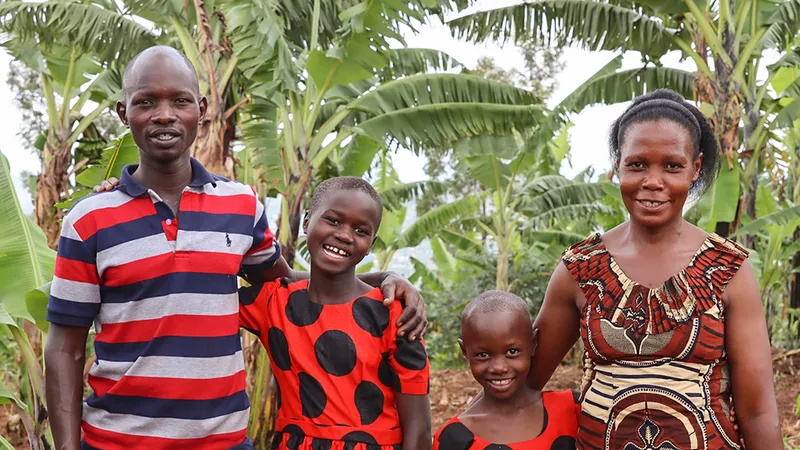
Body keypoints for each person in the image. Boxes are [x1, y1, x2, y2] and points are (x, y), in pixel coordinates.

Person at [44, 46, 427, 450]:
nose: (164, 114)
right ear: (123, 113)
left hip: (223, 442)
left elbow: (290, 286)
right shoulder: (89, 220)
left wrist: (383, 278)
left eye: (180, 100)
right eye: (145, 102)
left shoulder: (241, 206)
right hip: (115, 441)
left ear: (202, 108)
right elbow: (64, 349)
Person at [528, 89, 782, 449]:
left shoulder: (728, 271)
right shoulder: (581, 270)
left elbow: (758, 413)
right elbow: (523, 379)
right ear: (618, 165)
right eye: (637, 164)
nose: (652, 181)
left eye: (672, 166)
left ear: (695, 168)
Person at [238, 176, 431, 450]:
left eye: (361, 230)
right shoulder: (273, 303)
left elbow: (420, 430)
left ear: (371, 245)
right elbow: (199, 298)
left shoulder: (392, 313)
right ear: (307, 222)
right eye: (334, 220)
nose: (344, 235)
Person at [433, 290, 579, 450]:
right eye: (483, 354)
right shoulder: (454, 439)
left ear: (533, 344)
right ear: (465, 352)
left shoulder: (572, 410)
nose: (499, 367)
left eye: (512, 351)